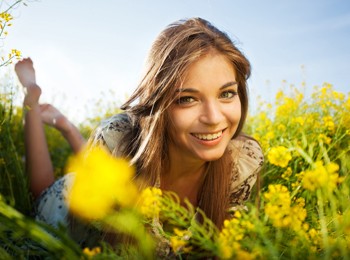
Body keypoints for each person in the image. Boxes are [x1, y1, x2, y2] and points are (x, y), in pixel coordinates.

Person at [15, 17, 263, 256]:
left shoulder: (242, 162)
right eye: (187, 99)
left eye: (227, 94)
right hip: (75, 210)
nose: (213, 118)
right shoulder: (115, 139)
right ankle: (32, 101)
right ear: (157, 104)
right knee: (43, 192)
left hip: (114, 166)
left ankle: (66, 126)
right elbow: (86, 242)